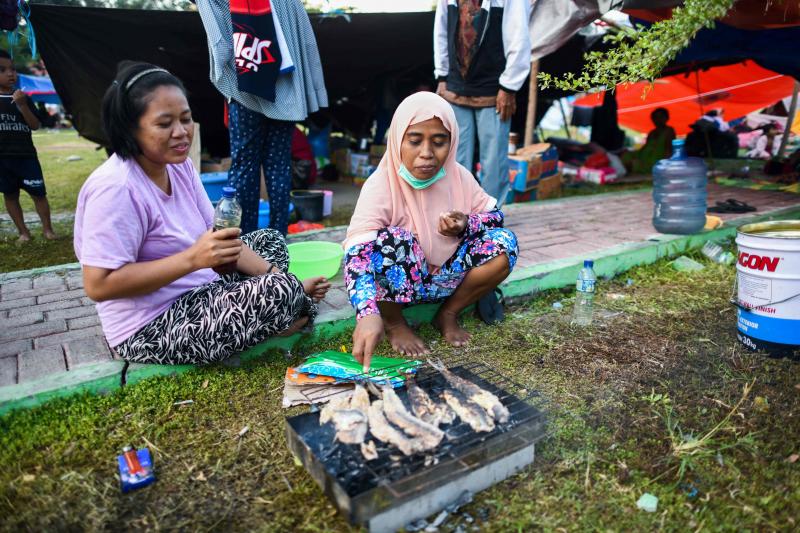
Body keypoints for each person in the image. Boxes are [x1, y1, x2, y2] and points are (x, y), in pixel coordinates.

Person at [73, 62, 330, 365]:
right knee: (278, 292)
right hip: (151, 325)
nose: (181, 133)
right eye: (164, 124)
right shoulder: (116, 188)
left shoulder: (178, 165)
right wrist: (194, 259)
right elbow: (99, 285)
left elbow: (218, 238)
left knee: (271, 243)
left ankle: (278, 309)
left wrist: (291, 283)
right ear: (130, 127)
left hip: (202, 287)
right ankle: (276, 317)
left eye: (185, 119)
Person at [343, 92, 519, 370]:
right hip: (401, 287)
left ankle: (448, 314)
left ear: (451, 143)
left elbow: (496, 217)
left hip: (446, 281)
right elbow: (357, 254)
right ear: (397, 139)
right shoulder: (380, 185)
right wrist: (367, 312)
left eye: (439, 142)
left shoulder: (458, 175)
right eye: (414, 141)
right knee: (391, 241)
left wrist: (466, 223)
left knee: (504, 243)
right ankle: (395, 323)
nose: (427, 153)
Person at [195, 0, 327, 235]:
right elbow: (303, 36)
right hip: (285, 84)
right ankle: (278, 238)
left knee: (245, 164)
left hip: (244, 81)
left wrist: (224, 66)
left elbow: (221, 46)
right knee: (278, 164)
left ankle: (244, 240)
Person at [433, 0, 531, 206]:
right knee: (455, 158)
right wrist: (442, 76)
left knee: (494, 162)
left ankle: (491, 215)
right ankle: (458, 213)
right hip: (455, 86)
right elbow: (441, 31)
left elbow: (519, 37)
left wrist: (509, 86)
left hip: (494, 90)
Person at [0, 49, 56, 242]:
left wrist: (22, 105)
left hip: (26, 156)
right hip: (3, 159)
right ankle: (23, 232)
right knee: (10, 195)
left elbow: (34, 125)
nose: (10, 74)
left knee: (39, 194)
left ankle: (48, 229)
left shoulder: (23, 98)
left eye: (13, 69)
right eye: (2, 70)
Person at [621, 107, 676, 174]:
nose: (658, 120)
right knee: (626, 155)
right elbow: (645, 147)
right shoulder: (652, 132)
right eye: (655, 117)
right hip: (645, 156)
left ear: (667, 118)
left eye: (661, 117)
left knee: (634, 164)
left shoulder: (669, 131)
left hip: (656, 160)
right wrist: (634, 153)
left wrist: (665, 164)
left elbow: (669, 149)